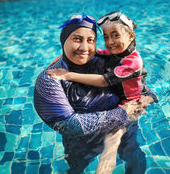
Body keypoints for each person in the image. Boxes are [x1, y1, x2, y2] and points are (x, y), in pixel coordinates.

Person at [34, 14, 157, 174]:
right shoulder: (49, 80)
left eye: (91, 40)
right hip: (83, 142)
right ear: (64, 40)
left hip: (126, 126)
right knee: (77, 169)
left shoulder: (102, 61)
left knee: (134, 160)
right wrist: (122, 112)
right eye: (77, 39)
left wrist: (139, 105)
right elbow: (69, 126)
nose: (85, 48)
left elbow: (143, 89)